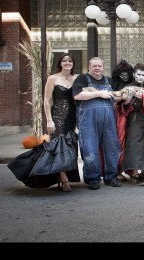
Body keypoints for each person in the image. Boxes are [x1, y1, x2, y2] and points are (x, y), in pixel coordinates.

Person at [72, 57, 122, 190]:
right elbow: (77, 95)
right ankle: (93, 179)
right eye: (94, 66)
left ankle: (111, 177)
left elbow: (115, 98)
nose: (97, 68)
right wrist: (99, 93)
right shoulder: (82, 79)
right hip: (88, 121)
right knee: (90, 150)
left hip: (108, 121)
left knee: (112, 149)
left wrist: (122, 96)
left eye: (99, 66)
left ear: (103, 67)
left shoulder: (108, 81)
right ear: (89, 67)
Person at [43, 54, 80, 192]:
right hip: (57, 116)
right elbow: (47, 101)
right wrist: (49, 120)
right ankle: (63, 179)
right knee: (59, 146)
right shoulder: (52, 78)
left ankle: (66, 175)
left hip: (72, 117)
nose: (67, 63)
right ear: (60, 63)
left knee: (70, 146)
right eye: (64, 61)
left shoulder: (76, 79)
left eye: (70, 61)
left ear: (73, 63)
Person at [119, 63, 144, 185]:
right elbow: (124, 104)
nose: (140, 77)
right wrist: (130, 96)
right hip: (135, 117)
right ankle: (134, 173)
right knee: (135, 144)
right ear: (134, 74)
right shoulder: (129, 87)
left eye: (143, 75)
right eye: (138, 74)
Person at [111, 59, 134, 180]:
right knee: (119, 141)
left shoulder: (133, 84)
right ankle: (117, 170)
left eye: (126, 75)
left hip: (133, 115)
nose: (125, 77)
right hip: (118, 115)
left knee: (132, 141)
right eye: (122, 75)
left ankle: (131, 169)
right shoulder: (112, 84)